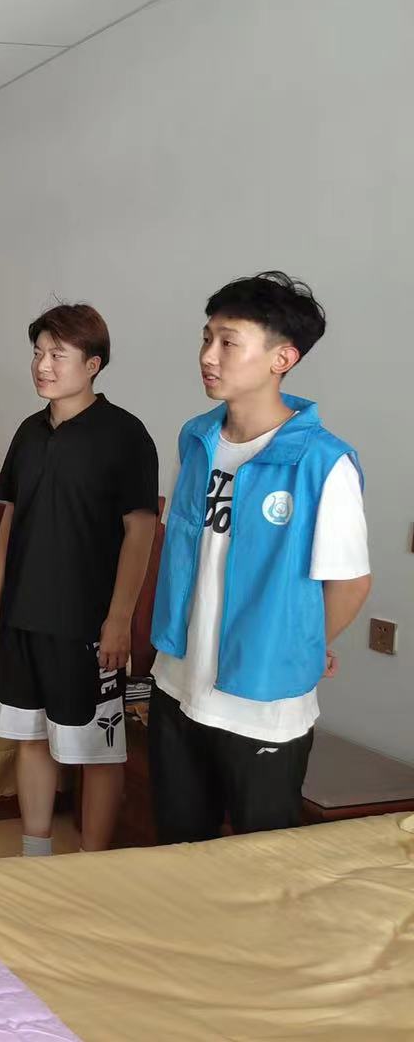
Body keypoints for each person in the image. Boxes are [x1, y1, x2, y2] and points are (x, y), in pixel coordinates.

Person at [149, 272, 370, 844]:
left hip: (262, 705)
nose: (208, 356)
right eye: (207, 338)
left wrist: (303, 644)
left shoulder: (323, 463)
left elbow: (350, 583)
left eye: (229, 342)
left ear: (282, 358)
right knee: (177, 849)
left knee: (262, 859)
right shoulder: (196, 439)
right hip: (177, 683)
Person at [0, 304, 159, 856]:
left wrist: (119, 621)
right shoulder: (28, 433)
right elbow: (11, 518)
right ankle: (36, 856)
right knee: (30, 739)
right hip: (23, 618)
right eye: (37, 353)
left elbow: (141, 531)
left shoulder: (125, 434)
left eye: (58, 355)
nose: (42, 366)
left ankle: (90, 864)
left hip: (85, 623)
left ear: (93, 364)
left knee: (96, 750)